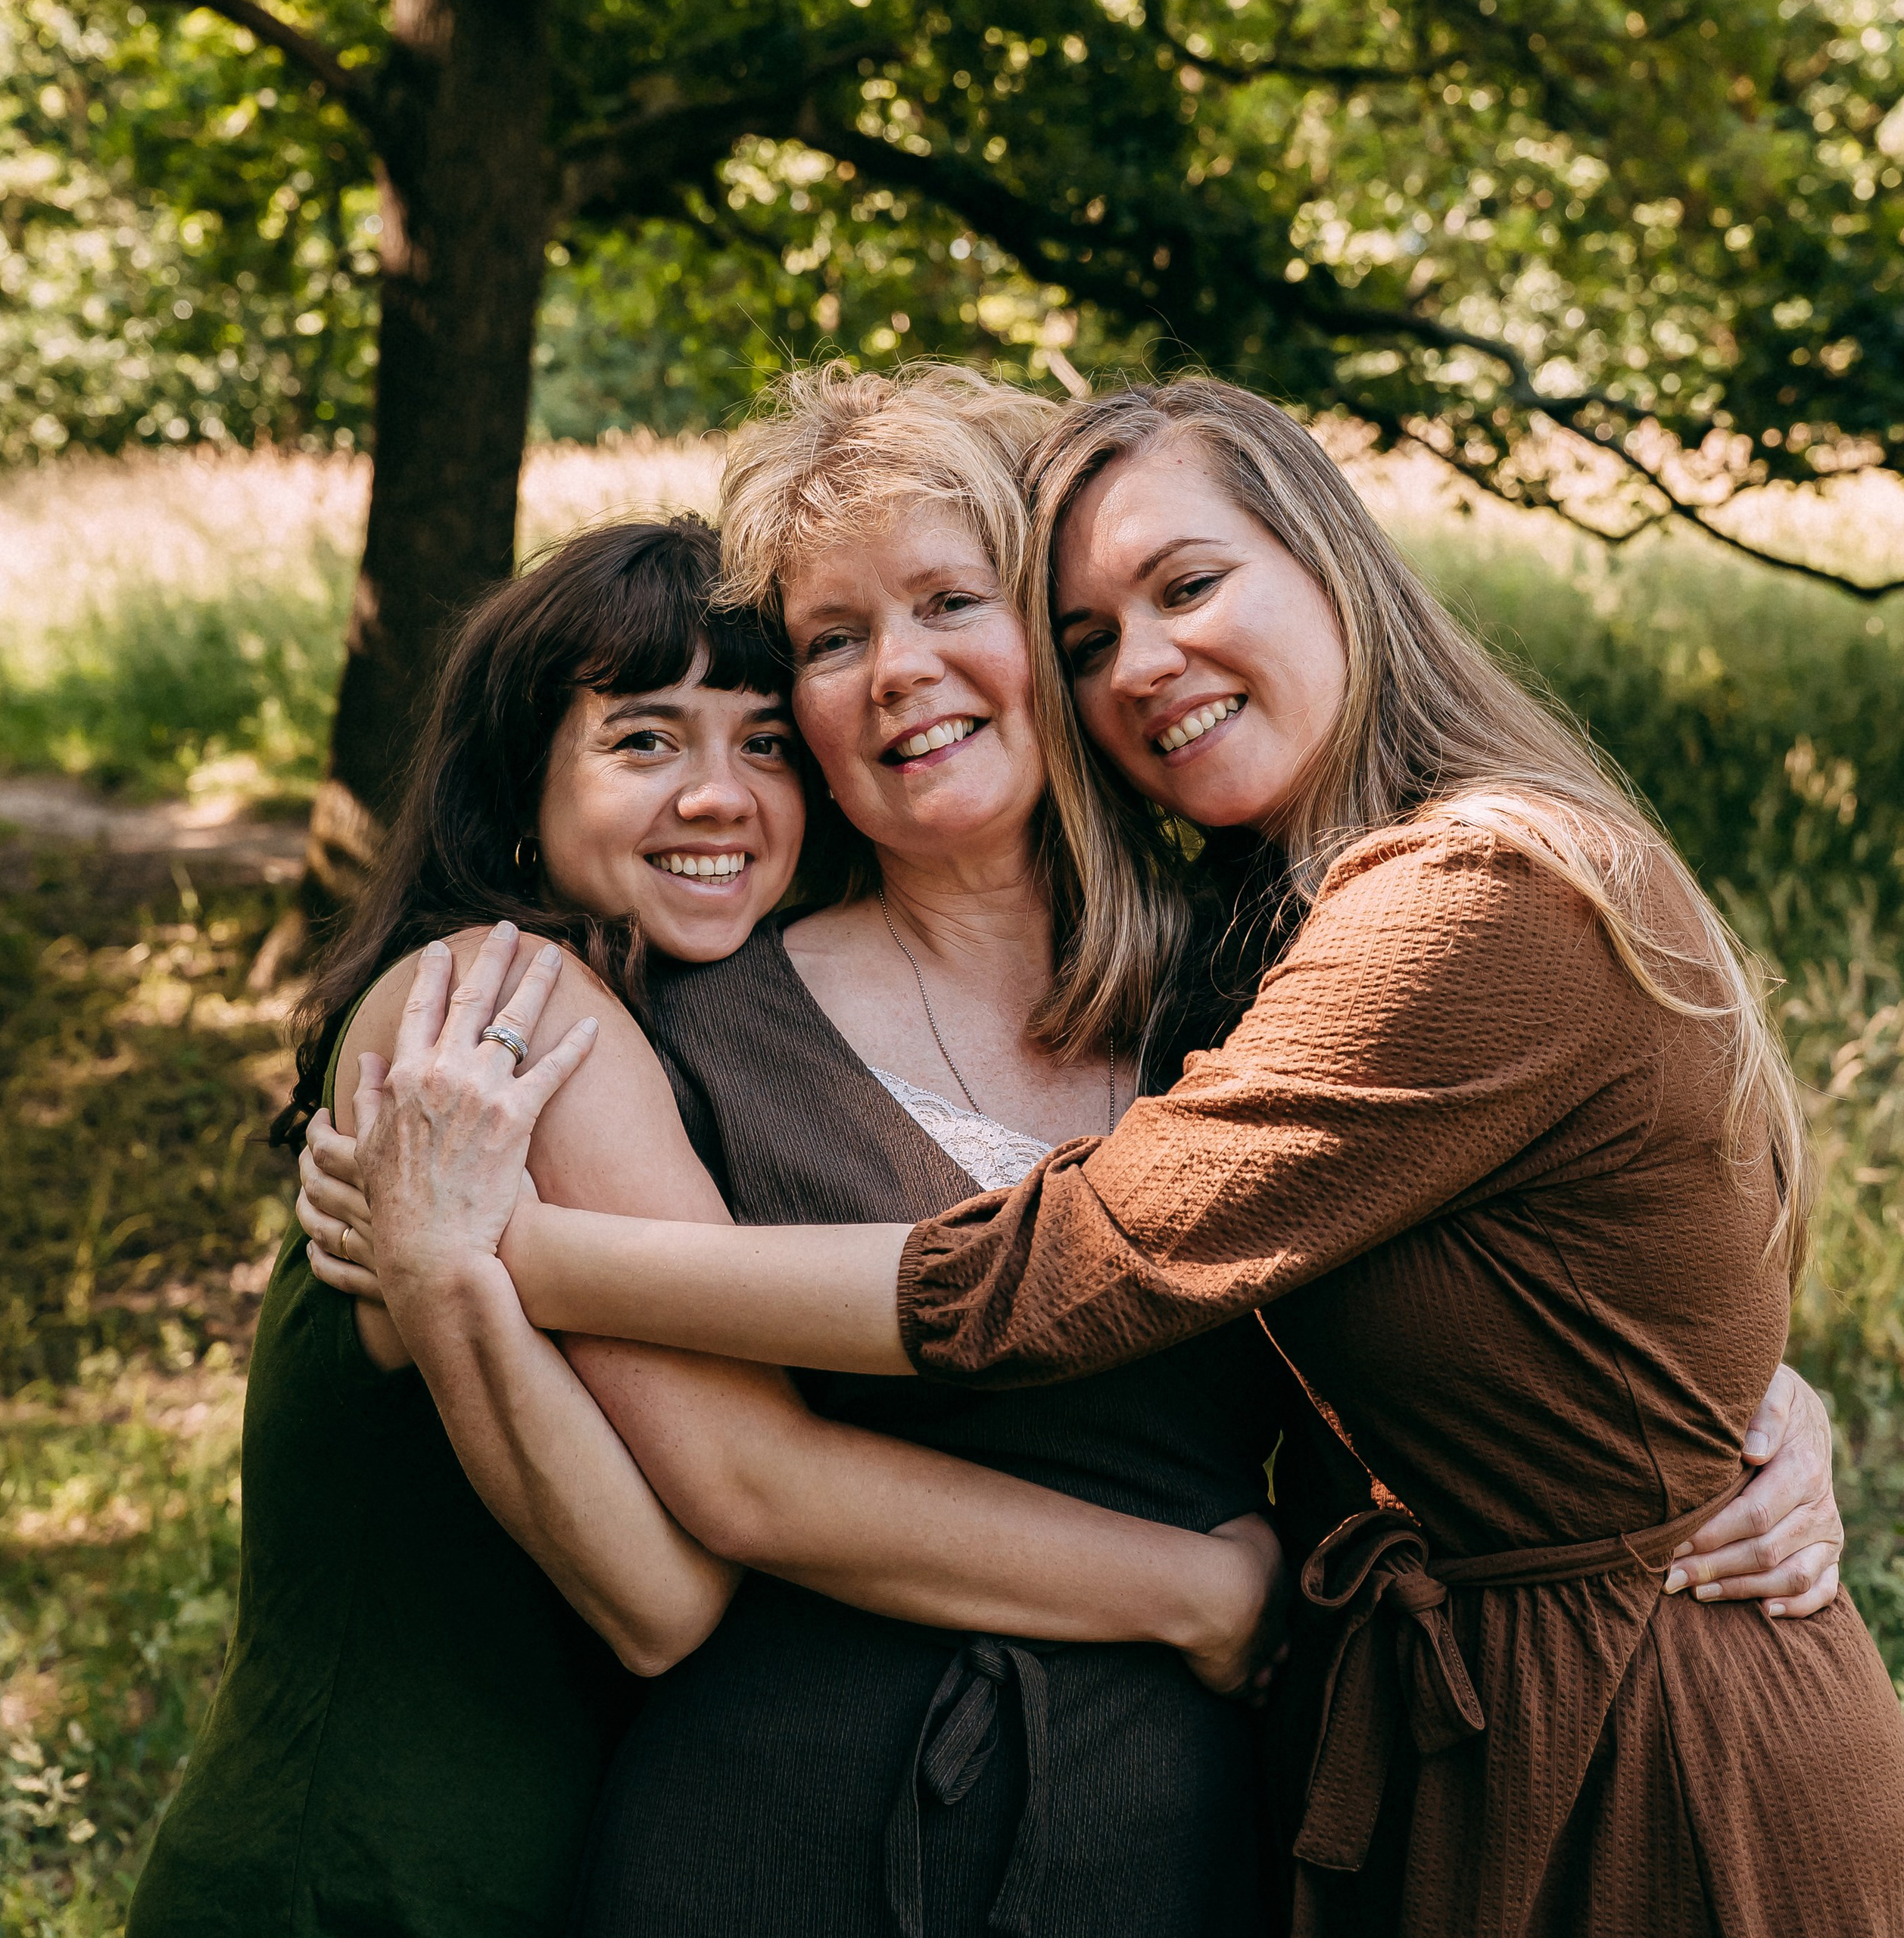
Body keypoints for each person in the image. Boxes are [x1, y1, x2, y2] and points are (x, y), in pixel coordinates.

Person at [309, 375, 1868, 1933]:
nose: (896, 672)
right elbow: (721, 1483)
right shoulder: (682, 1015)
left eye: (949, 602)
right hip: (780, 1822)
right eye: (833, 641)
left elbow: (1476, 1295)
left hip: (1176, 1832)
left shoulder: (1263, 975)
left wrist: (1735, 1410)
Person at [129, 514, 1286, 1938]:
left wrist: (483, 1269)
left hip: (507, 1854)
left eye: (763, 744)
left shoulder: (635, 1015)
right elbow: (674, 1587)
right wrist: (1196, 1587)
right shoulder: (507, 1005)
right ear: (513, 797)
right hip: (368, 1872)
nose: (720, 795)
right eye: (643, 742)